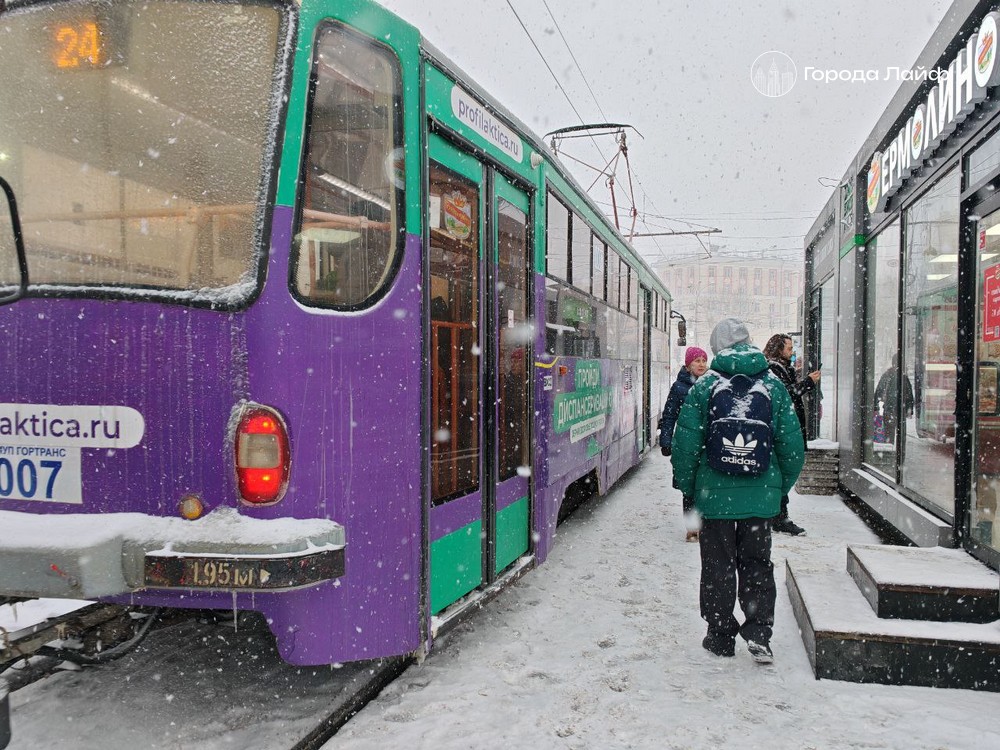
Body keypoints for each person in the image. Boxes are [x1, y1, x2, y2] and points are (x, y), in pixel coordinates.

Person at [671, 318, 804, 663]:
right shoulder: (773, 386)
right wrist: (776, 490)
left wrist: (691, 489)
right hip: (760, 501)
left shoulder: (705, 386)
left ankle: (719, 635)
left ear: (717, 347)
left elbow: (685, 446)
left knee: (717, 566)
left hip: (715, 499)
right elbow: (792, 448)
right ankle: (759, 632)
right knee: (757, 564)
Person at [762, 333, 819, 536]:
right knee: (781, 473)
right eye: (788, 348)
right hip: (782, 431)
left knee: (781, 473)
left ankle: (777, 515)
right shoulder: (773, 369)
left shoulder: (781, 368)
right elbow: (788, 394)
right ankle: (778, 517)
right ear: (778, 349)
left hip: (786, 428)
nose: (792, 351)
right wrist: (808, 382)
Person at [659, 346, 709, 542]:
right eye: (697, 361)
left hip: (706, 444)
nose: (701, 364)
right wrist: (666, 440)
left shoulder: (711, 384)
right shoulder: (679, 387)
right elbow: (669, 415)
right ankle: (692, 528)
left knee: (704, 485)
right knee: (688, 487)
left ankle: (704, 525)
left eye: (703, 360)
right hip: (686, 444)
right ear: (688, 365)